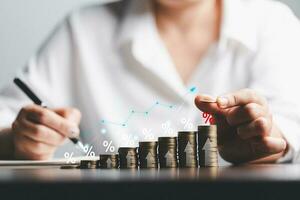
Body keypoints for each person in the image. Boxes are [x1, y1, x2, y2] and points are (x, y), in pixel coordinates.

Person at [0, 0, 300, 164]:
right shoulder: (80, 31)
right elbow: (6, 118)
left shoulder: (274, 25)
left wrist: (271, 139)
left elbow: (291, 125)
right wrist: (19, 139)